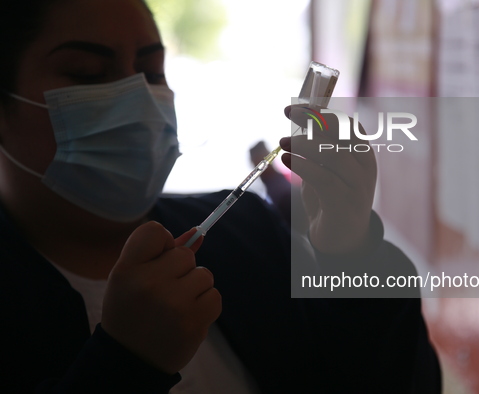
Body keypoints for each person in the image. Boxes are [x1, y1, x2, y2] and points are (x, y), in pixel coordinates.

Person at [0, 0, 441, 393]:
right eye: (88, 74)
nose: (139, 99)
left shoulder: (246, 234)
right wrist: (125, 364)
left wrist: (350, 253)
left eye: (152, 73)